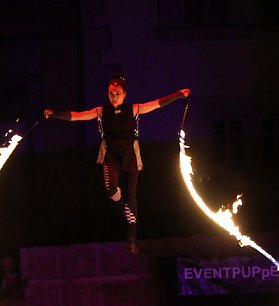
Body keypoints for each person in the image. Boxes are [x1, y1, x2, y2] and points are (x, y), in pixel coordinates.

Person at [44, 76, 190, 254]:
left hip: (130, 154)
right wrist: (54, 114)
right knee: (112, 190)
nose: (114, 97)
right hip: (110, 154)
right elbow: (77, 116)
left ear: (124, 94)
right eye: (111, 94)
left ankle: (132, 236)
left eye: (117, 94)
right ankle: (124, 209)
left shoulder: (134, 109)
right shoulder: (101, 112)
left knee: (131, 193)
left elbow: (157, 104)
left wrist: (178, 95)